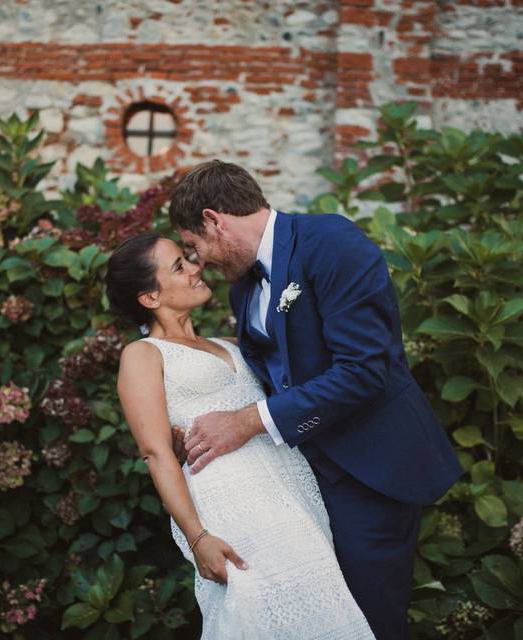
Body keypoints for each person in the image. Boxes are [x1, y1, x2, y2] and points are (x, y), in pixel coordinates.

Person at [168, 160, 462, 640]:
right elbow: (276, 376)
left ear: (215, 220)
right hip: (300, 480)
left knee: (368, 622)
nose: (198, 263)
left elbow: (365, 370)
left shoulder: (331, 242)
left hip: (369, 471)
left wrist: (245, 422)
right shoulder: (243, 291)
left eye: (193, 247)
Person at [107, 232, 375, 639]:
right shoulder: (142, 355)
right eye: (179, 266)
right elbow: (156, 453)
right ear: (150, 298)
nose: (196, 268)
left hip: (293, 492)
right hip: (232, 509)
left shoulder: (231, 344)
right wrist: (198, 538)